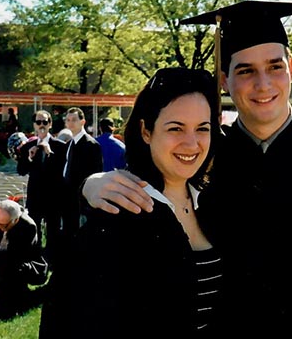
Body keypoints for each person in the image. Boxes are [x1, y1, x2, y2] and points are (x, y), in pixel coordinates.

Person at [81, 0, 292, 338]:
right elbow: (150, 181)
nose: (263, 84)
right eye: (245, 70)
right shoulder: (209, 155)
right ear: (224, 79)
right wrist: (90, 184)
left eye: (274, 66)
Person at [39, 67, 222, 337]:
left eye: (202, 128)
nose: (191, 143)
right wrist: (87, 187)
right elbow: (69, 318)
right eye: (176, 128)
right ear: (146, 131)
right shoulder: (120, 214)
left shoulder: (215, 202)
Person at [0, 199, 43, 316]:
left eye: (4, 225)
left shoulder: (27, 227)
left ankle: (15, 299)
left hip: (21, 265)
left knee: (13, 271)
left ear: (15, 220)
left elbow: (15, 258)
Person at [17, 110, 67, 267]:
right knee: (34, 229)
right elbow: (21, 170)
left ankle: (53, 263)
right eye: (38, 122)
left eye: (45, 122)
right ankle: (36, 262)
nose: (42, 125)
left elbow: (63, 171)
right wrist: (30, 158)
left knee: (53, 231)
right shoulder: (28, 146)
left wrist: (49, 154)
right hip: (35, 196)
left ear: (50, 124)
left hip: (54, 197)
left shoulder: (60, 146)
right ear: (34, 125)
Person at [61, 107, 102, 241]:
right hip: (68, 199)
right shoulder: (69, 144)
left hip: (83, 201)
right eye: (68, 120)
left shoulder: (91, 144)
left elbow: (96, 174)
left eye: (74, 120)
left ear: (82, 121)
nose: (70, 123)